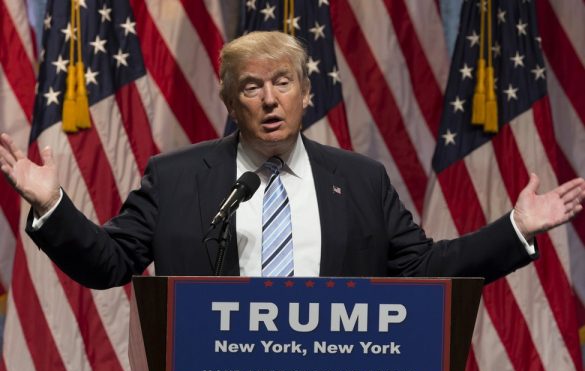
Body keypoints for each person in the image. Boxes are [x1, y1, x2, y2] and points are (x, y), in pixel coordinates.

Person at [0, 31, 584, 290]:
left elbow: (424, 268)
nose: (270, 98)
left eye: (284, 82)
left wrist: (516, 230)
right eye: (252, 87)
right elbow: (110, 264)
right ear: (231, 101)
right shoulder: (175, 177)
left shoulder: (360, 179)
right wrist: (52, 204)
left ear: (308, 94)